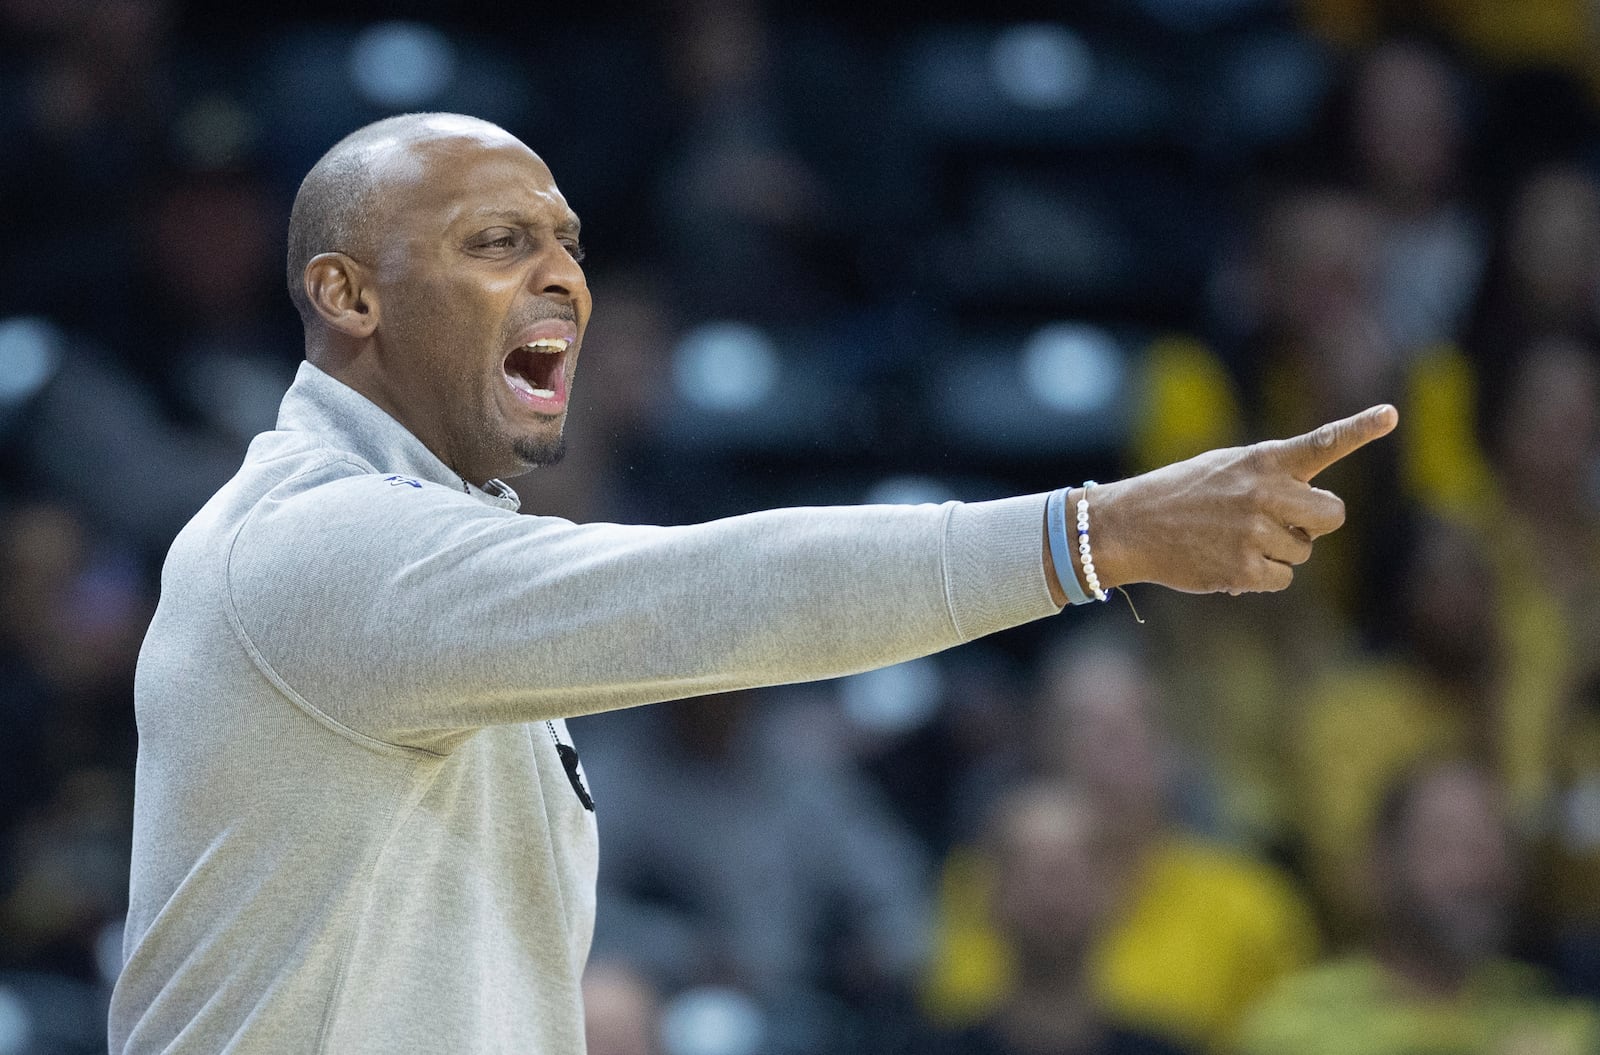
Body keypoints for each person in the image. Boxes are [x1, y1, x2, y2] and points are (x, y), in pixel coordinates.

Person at [107, 111, 1396, 1054]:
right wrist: (1094, 532)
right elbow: (714, 591)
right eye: (496, 242)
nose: (559, 275)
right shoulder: (315, 546)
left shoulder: (428, 549)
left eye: (566, 243)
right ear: (347, 294)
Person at [1236, 759, 1600, 1055]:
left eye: (1494, 846)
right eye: (1448, 846)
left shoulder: (1556, 1015)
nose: (1477, 872)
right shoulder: (1297, 1030)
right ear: (1381, 868)